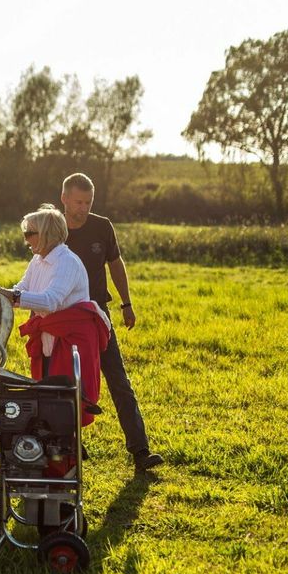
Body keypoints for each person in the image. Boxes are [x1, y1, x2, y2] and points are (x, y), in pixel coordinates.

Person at [60, 172, 163, 472]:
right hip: (64, 317)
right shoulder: (52, 227)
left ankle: (140, 450)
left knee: (118, 380)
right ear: (64, 198)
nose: (83, 208)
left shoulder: (102, 227)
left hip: (97, 315)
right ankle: (68, 445)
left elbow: (115, 265)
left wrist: (126, 303)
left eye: (88, 202)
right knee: (63, 383)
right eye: (78, 201)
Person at [0, 205, 110, 426]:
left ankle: (67, 456)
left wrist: (13, 296)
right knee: (48, 400)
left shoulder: (67, 262)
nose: (26, 240)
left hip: (71, 341)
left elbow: (50, 301)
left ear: (46, 234)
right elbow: (21, 289)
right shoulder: (38, 261)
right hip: (49, 338)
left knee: (63, 404)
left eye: (29, 234)